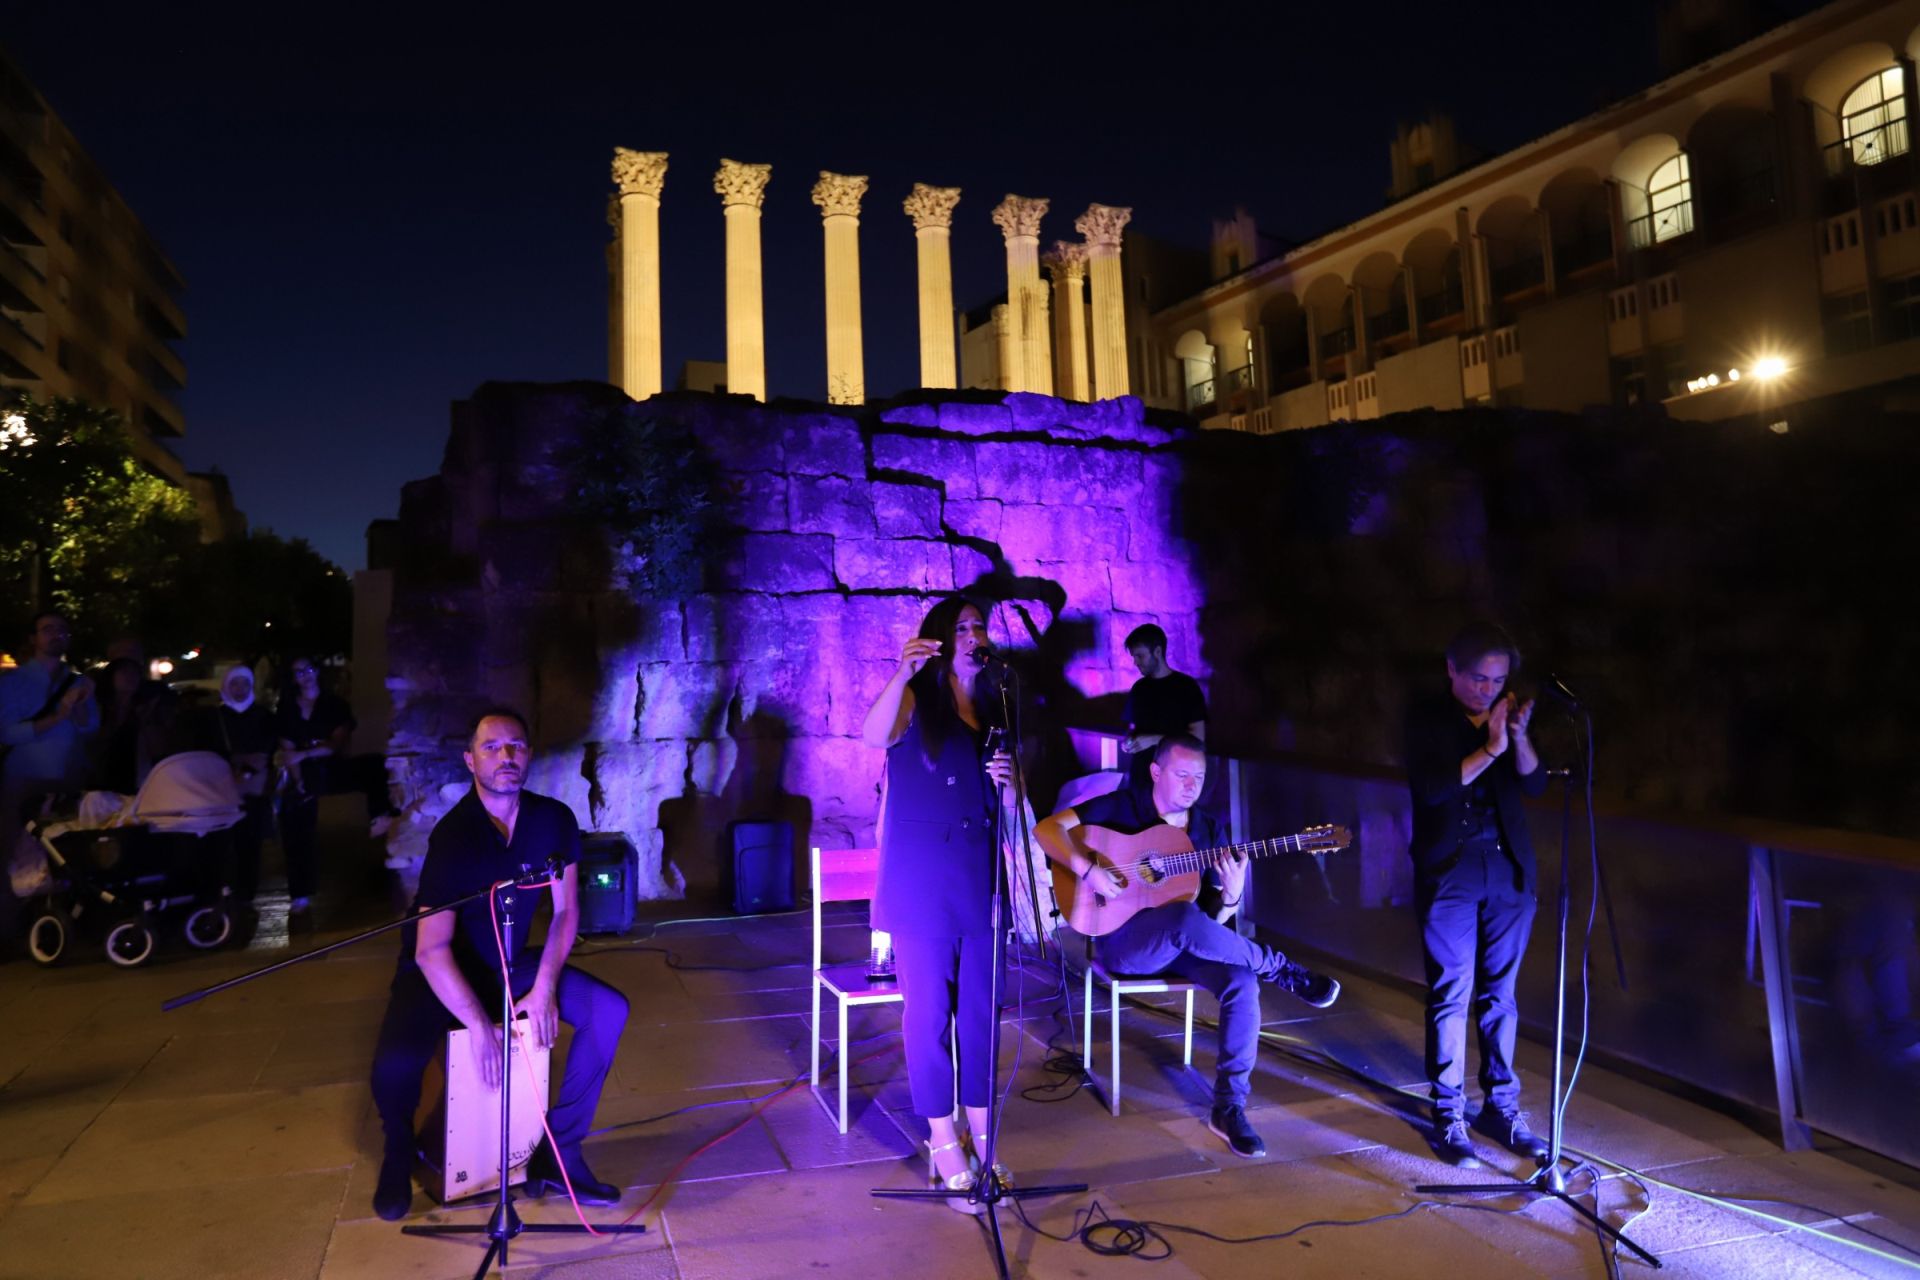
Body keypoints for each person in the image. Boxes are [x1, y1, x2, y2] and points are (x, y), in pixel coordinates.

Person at [366, 708, 629, 1221]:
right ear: (470, 760)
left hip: (512, 965)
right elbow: (430, 949)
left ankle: (560, 1153)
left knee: (608, 1010)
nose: (506, 756)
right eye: (491, 747)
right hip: (441, 974)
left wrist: (546, 984)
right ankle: (399, 1152)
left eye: (516, 746)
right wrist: (478, 1024)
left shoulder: (554, 819)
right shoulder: (455, 838)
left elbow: (566, 909)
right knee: (395, 1062)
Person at [1036, 734, 1340, 1159]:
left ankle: (1229, 1107)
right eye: (1181, 774)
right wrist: (1089, 871)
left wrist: (1232, 897)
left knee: (1241, 980)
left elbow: (1208, 927)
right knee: (1180, 918)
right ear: (1156, 773)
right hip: (1123, 944)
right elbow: (1046, 830)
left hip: (1182, 943)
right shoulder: (1121, 807)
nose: (1191, 785)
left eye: (1199, 776)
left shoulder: (1208, 830)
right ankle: (1280, 966)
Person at [860, 595, 1016, 1213]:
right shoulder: (916, 699)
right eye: (963, 626)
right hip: (922, 882)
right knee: (928, 1018)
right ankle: (943, 1140)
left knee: (980, 1012)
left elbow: (994, 798)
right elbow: (874, 735)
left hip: (978, 876)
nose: (976, 634)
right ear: (939, 639)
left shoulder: (996, 703)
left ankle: (983, 1134)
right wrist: (902, 672)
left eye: (981, 625)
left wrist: (1007, 777)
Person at [1405, 623, 1552, 1169]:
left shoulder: (1504, 720)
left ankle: (1502, 1107)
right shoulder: (1425, 718)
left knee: (1501, 995)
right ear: (1452, 670)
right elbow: (1435, 789)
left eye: (1497, 680)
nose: (1487, 689)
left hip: (1509, 869)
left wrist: (1515, 738)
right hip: (1450, 871)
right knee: (1451, 992)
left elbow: (1535, 786)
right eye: (1477, 679)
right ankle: (1448, 1113)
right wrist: (1490, 747)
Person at [1, 611, 99, 807]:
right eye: (48, 629)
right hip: (24, 778)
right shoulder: (12, 682)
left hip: (70, 777)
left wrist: (78, 706)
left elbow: (90, 728)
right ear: (33, 638)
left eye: (62, 630)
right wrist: (59, 716)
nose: (57, 634)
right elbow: (6, 734)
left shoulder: (78, 681)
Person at [1119, 624, 1207, 794]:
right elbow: (1131, 729)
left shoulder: (1187, 687)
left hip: (1174, 783)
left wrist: (1154, 739)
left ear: (1157, 652)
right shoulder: (1139, 688)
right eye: (1134, 656)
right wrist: (1129, 741)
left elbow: (1198, 739)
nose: (1135, 662)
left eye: (1140, 656)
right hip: (1140, 780)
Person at [214, 664, 276, 906]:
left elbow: (267, 748)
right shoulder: (218, 717)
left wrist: (247, 766)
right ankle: (225, 890)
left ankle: (246, 894)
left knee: (250, 843)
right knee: (224, 844)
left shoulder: (263, 716)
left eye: (244, 684)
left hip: (253, 791)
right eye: (235, 684)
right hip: (223, 789)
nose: (240, 689)